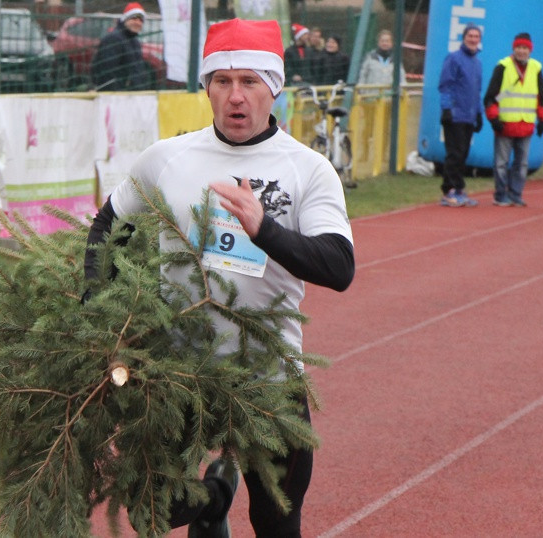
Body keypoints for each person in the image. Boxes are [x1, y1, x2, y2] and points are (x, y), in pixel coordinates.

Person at [84, 17, 355, 538]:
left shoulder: (308, 169)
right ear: (206, 87)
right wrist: (98, 311)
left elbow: (338, 266)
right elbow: (108, 224)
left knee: (277, 522)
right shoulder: (168, 157)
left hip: (268, 380)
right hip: (177, 373)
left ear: (273, 88)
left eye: (250, 82)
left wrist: (264, 229)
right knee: (152, 512)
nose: (236, 96)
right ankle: (216, 499)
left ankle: (224, 498)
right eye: (222, 81)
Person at [483, 32, 543, 207]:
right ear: (514, 48)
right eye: (519, 47)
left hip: (526, 124)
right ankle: (500, 194)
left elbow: (541, 97)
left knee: (522, 163)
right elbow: (491, 96)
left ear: (530, 50)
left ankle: (515, 193)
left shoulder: (536, 68)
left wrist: (542, 119)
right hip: (505, 124)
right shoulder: (503, 66)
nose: (522, 51)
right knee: (501, 163)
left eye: (525, 48)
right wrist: (494, 118)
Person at [437, 23, 483, 207]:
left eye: (476, 36)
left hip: (469, 115)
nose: (473, 39)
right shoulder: (454, 58)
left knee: (463, 154)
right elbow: (445, 85)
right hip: (455, 114)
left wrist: (479, 114)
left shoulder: (477, 63)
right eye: (470, 36)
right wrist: (447, 108)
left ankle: (459, 188)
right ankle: (449, 189)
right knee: (454, 153)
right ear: (464, 37)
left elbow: (476, 91)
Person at [90, 2, 151, 91]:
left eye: (141, 20)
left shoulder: (135, 42)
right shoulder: (113, 39)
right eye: (134, 18)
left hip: (134, 96)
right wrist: (119, 93)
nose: (138, 22)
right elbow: (107, 72)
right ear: (125, 19)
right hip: (117, 97)